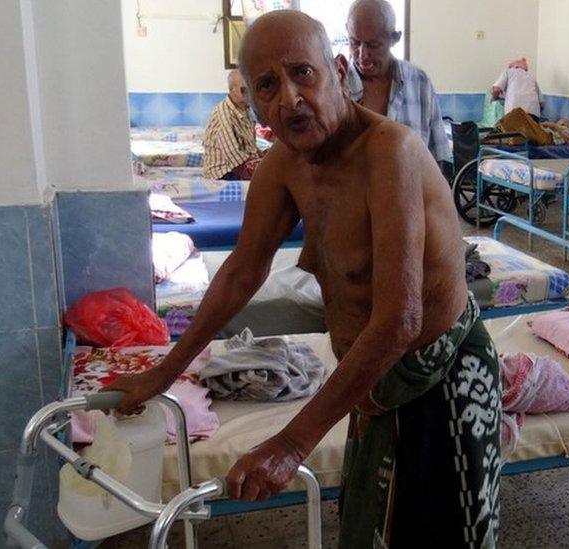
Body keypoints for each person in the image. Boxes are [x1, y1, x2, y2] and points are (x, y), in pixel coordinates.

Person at [105, 10, 501, 549]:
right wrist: (164, 372)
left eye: (302, 73)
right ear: (252, 99)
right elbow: (242, 272)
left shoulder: (393, 153)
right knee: (371, 528)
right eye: (267, 85)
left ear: (339, 71)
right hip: (373, 382)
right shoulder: (284, 166)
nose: (288, 97)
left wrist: (293, 443)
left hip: (440, 377)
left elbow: (400, 320)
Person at [345, 0, 452, 170]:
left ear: (395, 38)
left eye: (373, 45)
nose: (362, 55)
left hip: (413, 194)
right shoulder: (336, 86)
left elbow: (437, 157)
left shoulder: (419, 82)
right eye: (354, 43)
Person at [202, 70, 263, 180]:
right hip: (224, 172)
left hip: (241, 164)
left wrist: (263, 157)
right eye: (244, 89)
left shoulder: (245, 109)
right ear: (232, 90)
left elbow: (249, 145)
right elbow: (237, 162)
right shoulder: (224, 116)